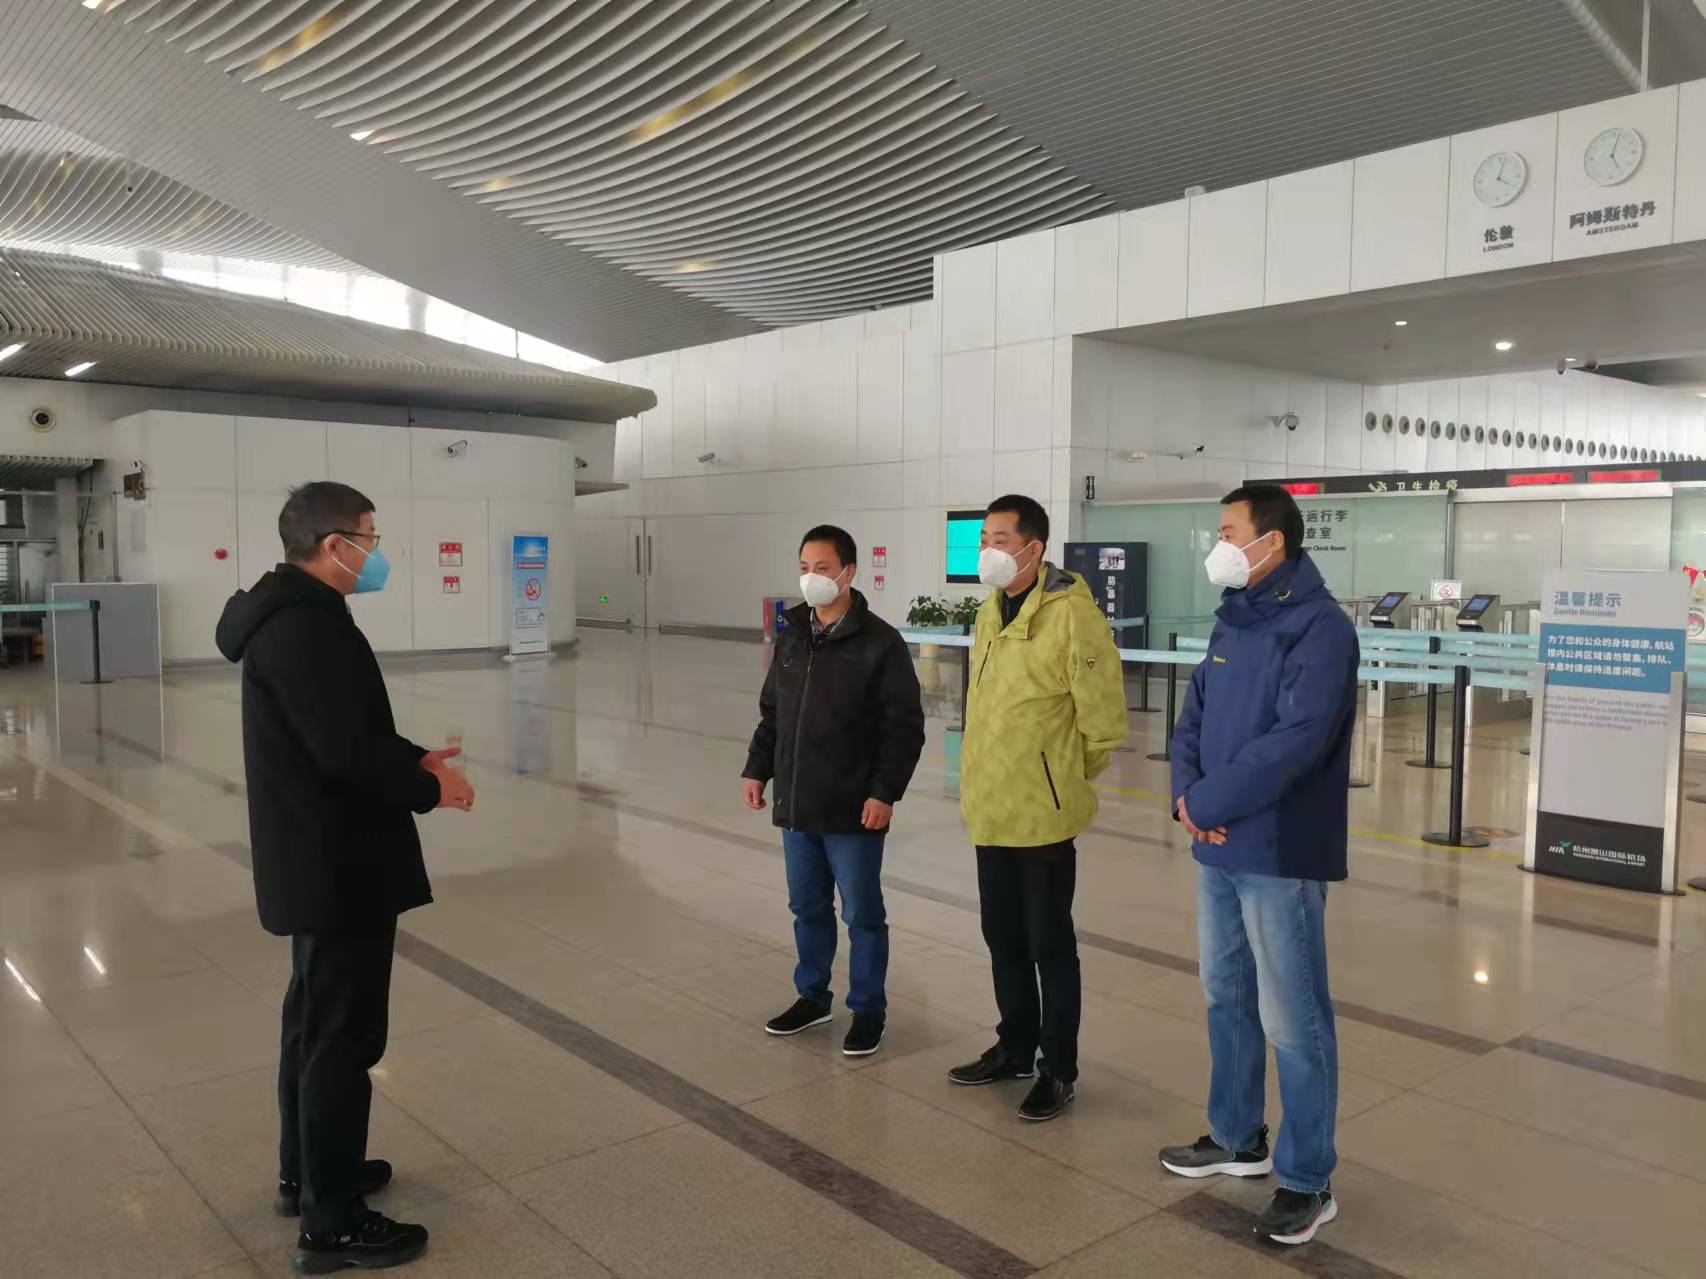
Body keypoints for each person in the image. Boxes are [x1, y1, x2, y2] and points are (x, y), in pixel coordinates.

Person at [216, 482, 475, 1276]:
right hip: (338, 864)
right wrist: (430, 788)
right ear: (334, 546)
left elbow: (348, 729)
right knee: (341, 1037)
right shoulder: (305, 626)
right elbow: (345, 754)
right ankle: (330, 1225)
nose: (376, 549)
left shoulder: (294, 614)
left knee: (312, 1022)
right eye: (369, 536)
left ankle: (307, 1175)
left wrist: (416, 757)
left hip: (318, 858)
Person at [1159, 483, 1358, 1248]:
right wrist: (1187, 796)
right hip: (1216, 843)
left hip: (1278, 849)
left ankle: (1307, 1179)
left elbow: (1296, 741)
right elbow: (1193, 718)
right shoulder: (1233, 619)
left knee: (1293, 1018)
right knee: (1228, 995)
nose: (1219, 545)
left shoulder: (1321, 629)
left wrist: (1208, 800)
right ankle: (1238, 1136)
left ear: (1271, 542)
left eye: (1228, 531)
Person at [949, 495, 1128, 1121]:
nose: (987, 551)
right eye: (983, 540)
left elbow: (1102, 719)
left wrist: (1062, 777)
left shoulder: (1072, 614)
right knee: (1001, 936)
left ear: (1034, 548)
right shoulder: (989, 610)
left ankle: (1058, 1068)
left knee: (1049, 942)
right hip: (991, 807)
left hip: (1043, 813)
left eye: (999, 540)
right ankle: (1016, 1045)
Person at [743, 525, 926, 1056]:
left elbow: (903, 729)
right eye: (804, 567)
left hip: (854, 808)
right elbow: (773, 713)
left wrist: (884, 793)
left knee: (862, 914)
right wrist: (757, 769)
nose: (811, 578)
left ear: (848, 572)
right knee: (807, 906)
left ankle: (868, 1010)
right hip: (798, 802)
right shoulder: (793, 634)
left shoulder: (880, 643)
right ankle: (812, 997)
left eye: (822, 568)